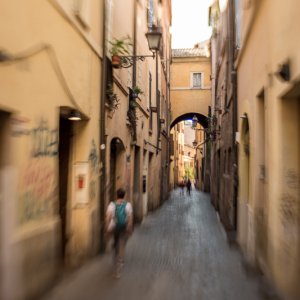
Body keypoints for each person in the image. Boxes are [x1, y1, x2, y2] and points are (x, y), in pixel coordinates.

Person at [105, 188, 133, 278]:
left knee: (116, 242)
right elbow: (129, 217)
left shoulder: (111, 205)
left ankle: (116, 254)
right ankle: (120, 262)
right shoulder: (128, 205)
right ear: (124, 195)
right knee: (122, 245)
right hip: (124, 227)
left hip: (114, 227)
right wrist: (129, 227)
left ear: (116, 195)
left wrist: (107, 227)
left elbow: (108, 217)